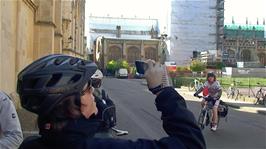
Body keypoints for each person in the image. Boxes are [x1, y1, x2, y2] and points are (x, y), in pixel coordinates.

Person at [17, 54, 206, 149]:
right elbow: (191, 144)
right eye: (88, 89)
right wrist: (163, 90)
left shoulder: (31, 145)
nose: (94, 93)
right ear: (72, 104)